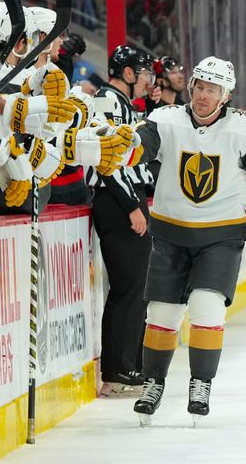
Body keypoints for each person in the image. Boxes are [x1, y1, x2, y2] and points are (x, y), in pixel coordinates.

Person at [119, 56, 246, 424]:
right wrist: (114, 145)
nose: (203, 95)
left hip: (221, 237)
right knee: (161, 315)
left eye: (213, 89)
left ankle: (200, 384)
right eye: (200, 86)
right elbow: (136, 149)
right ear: (190, 86)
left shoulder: (245, 127)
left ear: (225, 95)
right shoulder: (165, 119)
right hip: (171, 234)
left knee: (207, 309)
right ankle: (154, 384)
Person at [89, 45, 155, 396]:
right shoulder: (106, 101)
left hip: (127, 198)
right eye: (144, 73)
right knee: (128, 286)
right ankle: (118, 368)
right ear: (128, 73)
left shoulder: (123, 103)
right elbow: (106, 159)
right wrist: (131, 204)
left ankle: (131, 363)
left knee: (137, 286)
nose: (149, 80)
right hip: (116, 201)